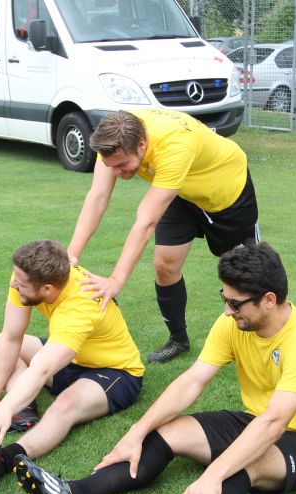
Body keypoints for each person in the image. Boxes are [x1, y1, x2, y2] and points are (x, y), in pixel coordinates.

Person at [16, 243, 296, 494]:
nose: (228, 311)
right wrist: (137, 432)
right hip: (256, 418)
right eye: (224, 299)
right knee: (166, 432)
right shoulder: (232, 324)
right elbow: (192, 381)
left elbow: (274, 423)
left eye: (235, 303)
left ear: (268, 299)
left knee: (241, 465)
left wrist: (213, 475)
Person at [67, 109, 259, 364]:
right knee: (164, 264)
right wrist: (71, 253)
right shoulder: (114, 138)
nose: (116, 173)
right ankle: (178, 339)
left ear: (142, 144)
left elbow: (146, 222)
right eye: (111, 166)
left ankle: (262, 339)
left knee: (247, 273)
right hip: (181, 191)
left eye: (122, 165)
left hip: (227, 193)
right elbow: (98, 197)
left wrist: (115, 280)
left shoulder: (174, 146)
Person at [0, 240, 144, 489]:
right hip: (71, 358)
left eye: (20, 284)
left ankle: (6, 459)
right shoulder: (26, 275)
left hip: (115, 372)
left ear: (47, 288)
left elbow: (41, 369)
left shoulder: (80, 305)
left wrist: (5, 410)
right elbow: (12, 337)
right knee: (0, 342)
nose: (13, 284)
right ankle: (24, 411)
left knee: (66, 404)